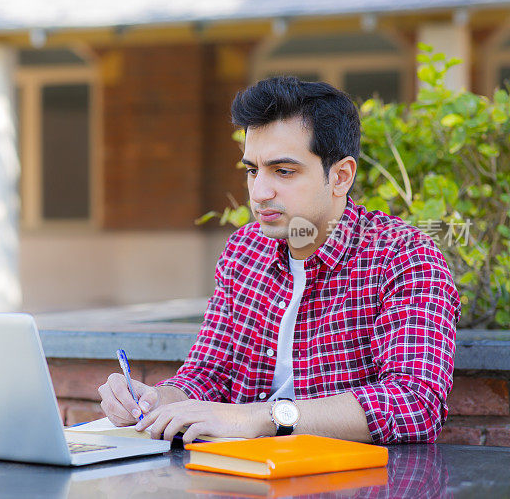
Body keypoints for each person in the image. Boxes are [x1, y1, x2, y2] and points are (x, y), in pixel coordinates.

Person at [98, 76, 460, 445]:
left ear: (340, 176)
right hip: (237, 475)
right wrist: (158, 400)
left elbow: (415, 404)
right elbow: (209, 373)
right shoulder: (244, 249)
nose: (259, 192)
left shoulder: (403, 256)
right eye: (252, 170)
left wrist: (262, 418)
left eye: (283, 171)